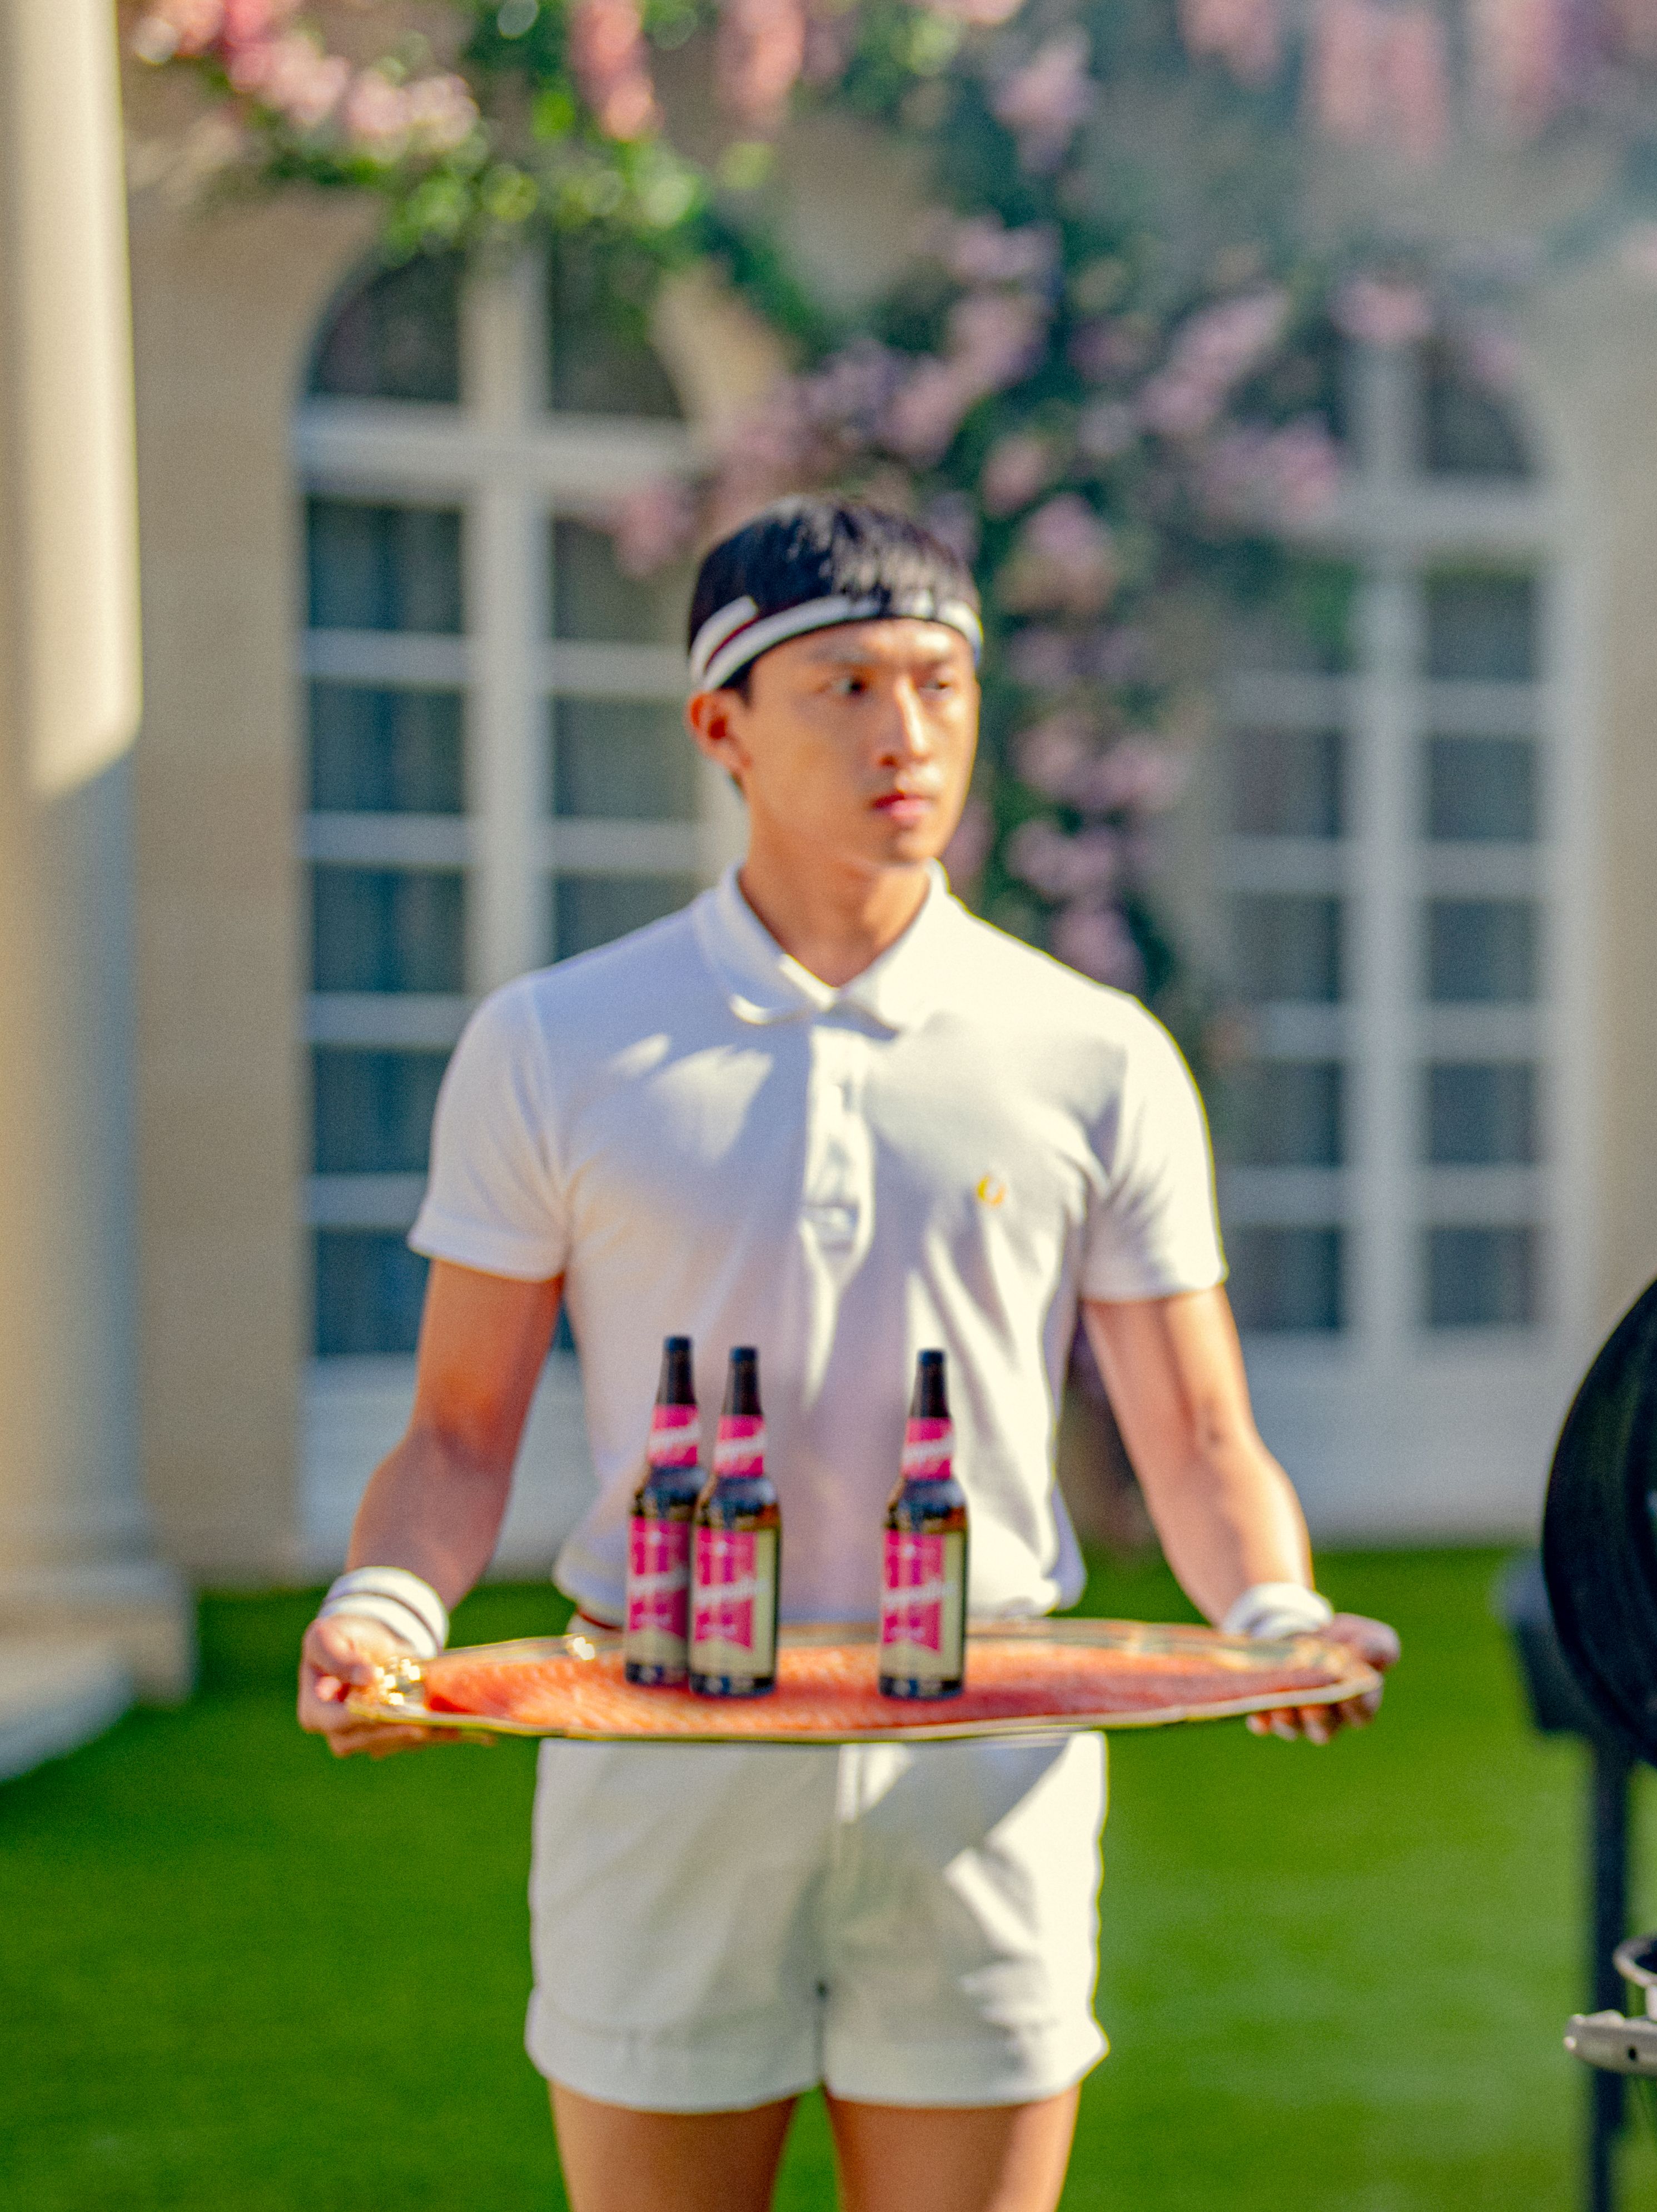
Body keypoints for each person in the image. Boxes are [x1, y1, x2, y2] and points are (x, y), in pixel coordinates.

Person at [293, 496, 1403, 2212]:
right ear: (720, 724)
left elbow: (1193, 1431)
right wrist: (382, 1612)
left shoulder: (1092, 1051)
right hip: (659, 1750)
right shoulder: (555, 1042)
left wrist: (1274, 1619)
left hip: (985, 1762)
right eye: (846, 684)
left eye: (942, 683)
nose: (909, 732)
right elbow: (457, 1433)